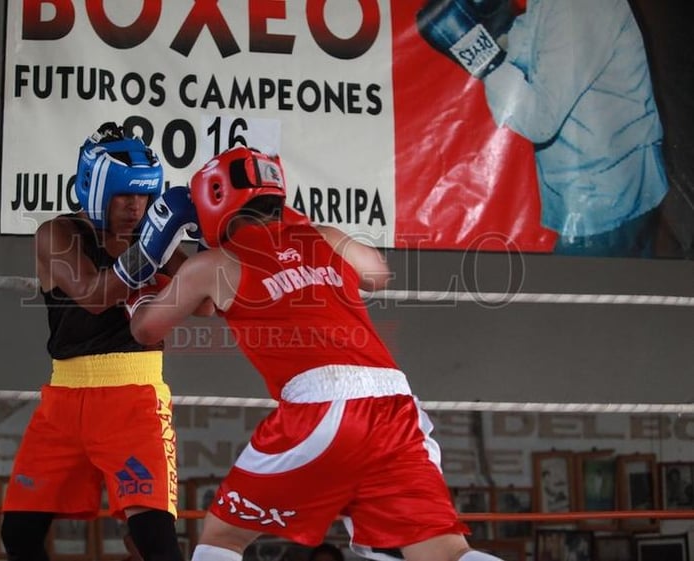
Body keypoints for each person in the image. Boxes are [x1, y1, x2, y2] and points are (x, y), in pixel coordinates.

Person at [127, 145, 507, 561]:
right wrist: (301, 236)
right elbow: (378, 274)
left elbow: (145, 329)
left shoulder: (216, 264)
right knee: (445, 552)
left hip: (321, 406)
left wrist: (145, 261)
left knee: (222, 538)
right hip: (394, 403)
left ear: (212, 201)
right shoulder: (323, 237)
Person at [0, 122, 201, 561]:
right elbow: (93, 296)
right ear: (95, 188)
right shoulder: (59, 234)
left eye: (144, 195)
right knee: (18, 533)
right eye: (125, 195)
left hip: (133, 401)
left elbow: (204, 303)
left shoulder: (153, 236)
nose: (136, 206)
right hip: (63, 402)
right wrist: (152, 252)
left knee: (156, 541)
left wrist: (202, 243)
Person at [417, 0, 669, 256]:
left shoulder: (576, 8)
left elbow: (539, 120)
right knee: (625, 286)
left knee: (576, 292)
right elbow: (528, 50)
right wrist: (492, 28)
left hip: (605, 202)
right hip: (614, 188)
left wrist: (482, 57)